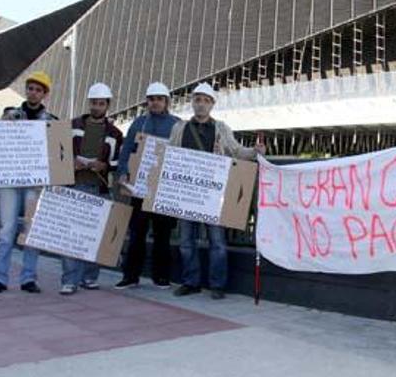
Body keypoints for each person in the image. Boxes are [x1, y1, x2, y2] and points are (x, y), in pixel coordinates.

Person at [168, 83, 265, 299]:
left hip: (212, 194)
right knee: (185, 241)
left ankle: (217, 285)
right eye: (197, 100)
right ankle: (190, 281)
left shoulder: (221, 128)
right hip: (186, 193)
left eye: (205, 100)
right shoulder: (179, 128)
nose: (201, 104)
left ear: (212, 104)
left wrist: (254, 152)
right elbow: (169, 154)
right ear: (192, 102)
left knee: (217, 242)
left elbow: (236, 151)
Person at [0, 71, 57, 295]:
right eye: (30, 88)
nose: (33, 93)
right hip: (9, 179)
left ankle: (28, 277)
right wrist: (2, 124)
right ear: (26, 90)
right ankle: (0, 278)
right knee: (6, 230)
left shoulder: (51, 122)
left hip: (34, 183)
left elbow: (57, 153)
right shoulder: (10, 115)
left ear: (44, 94)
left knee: (31, 230)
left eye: (38, 90)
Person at [114, 82, 180, 290]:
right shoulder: (138, 123)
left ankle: (161, 277)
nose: (155, 103)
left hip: (164, 189)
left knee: (163, 235)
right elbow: (126, 152)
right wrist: (123, 171)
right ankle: (131, 276)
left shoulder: (177, 124)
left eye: (159, 99)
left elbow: (183, 155)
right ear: (147, 102)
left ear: (166, 102)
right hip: (139, 188)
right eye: (151, 99)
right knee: (137, 233)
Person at [59, 82, 124, 295]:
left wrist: (104, 165)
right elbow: (58, 153)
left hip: (99, 188)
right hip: (73, 185)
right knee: (71, 235)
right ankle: (69, 280)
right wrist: (71, 164)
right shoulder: (72, 126)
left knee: (94, 235)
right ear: (89, 103)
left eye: (101, 103)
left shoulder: (115, 133)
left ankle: (89, 278)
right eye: (94, 103)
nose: (97, 106)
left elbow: (117, 162)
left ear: (107, 105)